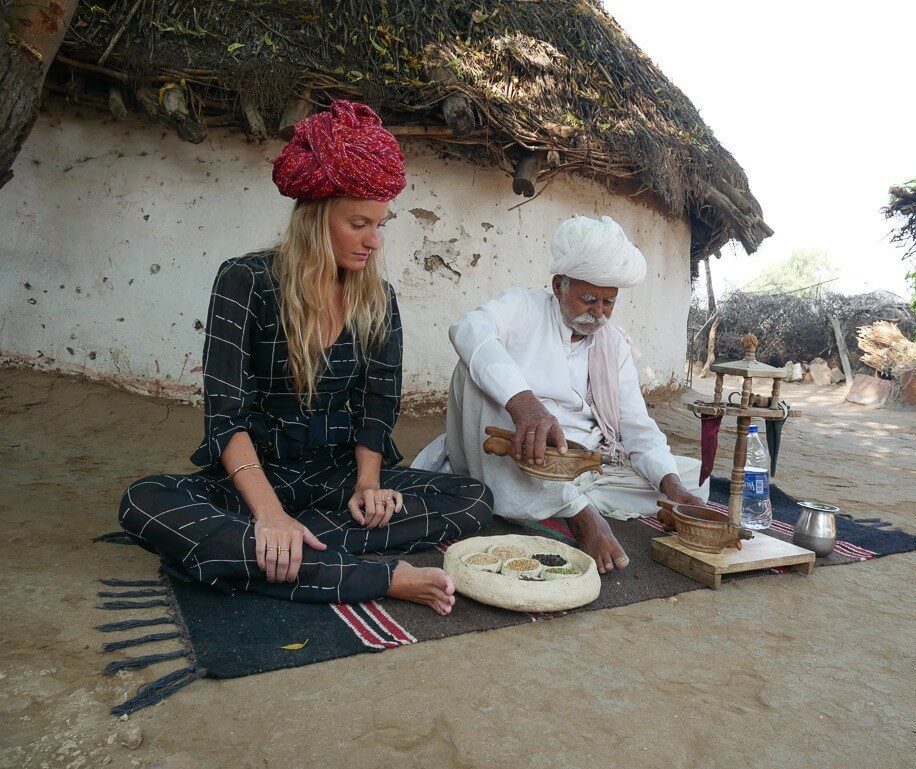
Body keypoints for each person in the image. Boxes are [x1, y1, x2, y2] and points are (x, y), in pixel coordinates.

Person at [119, 100, 492, 614]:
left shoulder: (378, 301)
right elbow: (224, 416)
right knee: (143, 502)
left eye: (381, 224)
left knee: (474, 499)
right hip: (257, 478)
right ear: (316, 220)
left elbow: (377, 408)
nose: (374, 241)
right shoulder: (244, 281)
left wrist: (368, 486)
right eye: (359, 223)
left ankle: (268, 555)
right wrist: (268, 513)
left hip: (337, 482)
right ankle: (372, 575)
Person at [415, 215, 706, 574]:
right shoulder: (523, 308)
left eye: (608, 302)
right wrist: (525, 405)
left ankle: (550, 499)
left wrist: (673, 489)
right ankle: (578, 513)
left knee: (690, 478)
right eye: (587, 299)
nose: (598, 313)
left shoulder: (613, 345)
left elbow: (635, 425)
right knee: (474, 373)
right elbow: (468, 328)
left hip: (579, 462)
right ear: (558, 285)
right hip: (513, 448)